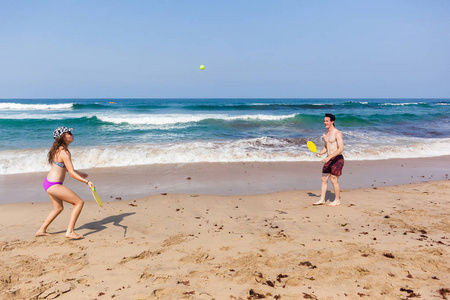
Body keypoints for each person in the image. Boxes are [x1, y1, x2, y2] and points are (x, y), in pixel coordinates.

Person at [36, 127, 95, 239]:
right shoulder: (64, 152)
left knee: (58, 208)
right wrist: (86, 181)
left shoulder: (58, 149)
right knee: (79, 202)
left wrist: (79, 173)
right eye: (69, 133)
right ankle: (70, 232)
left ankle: (41, 230)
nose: (72, 134)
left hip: (48, 183)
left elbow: (65, 168)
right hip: (54, 185)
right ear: (63, 137)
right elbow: (71, 172)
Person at [313, 114, 344, 206]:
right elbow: (326, 147)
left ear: (332, 121)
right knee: (324, 178)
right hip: (328, 159)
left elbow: (341, 148)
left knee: (334, 180)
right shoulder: (325, 135)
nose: (325, 123)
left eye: (327, 121)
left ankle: (337, 200)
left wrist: (329, 157)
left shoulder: (337, 133)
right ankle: (322, 199)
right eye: (324, 121)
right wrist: (320, 153)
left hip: (337, 159)